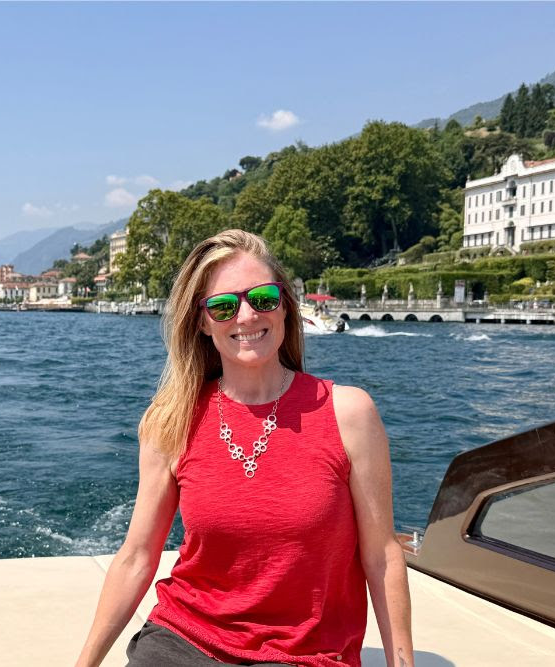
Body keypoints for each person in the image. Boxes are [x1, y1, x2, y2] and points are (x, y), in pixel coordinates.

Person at [75, 229, 412, 667]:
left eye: (263, 298)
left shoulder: (349, 413)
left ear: (285, 306)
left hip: (304, 655)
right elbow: (137, 556)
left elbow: (382, 556)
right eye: (223, 306)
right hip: (185, 639)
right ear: (202, 322)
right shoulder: (171, 420)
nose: (248, 316)